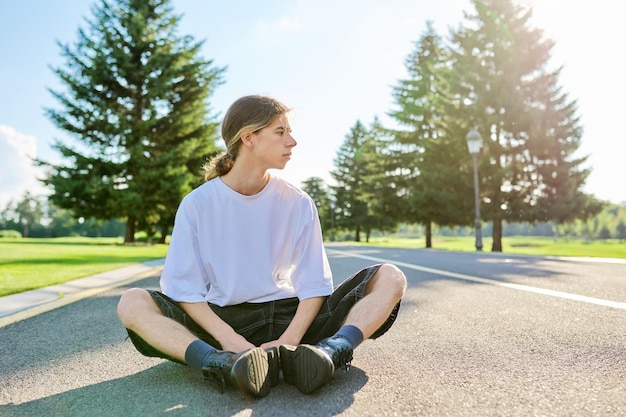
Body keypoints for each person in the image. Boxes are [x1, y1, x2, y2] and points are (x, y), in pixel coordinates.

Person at [117, 95, 407, 398]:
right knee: (132, 302)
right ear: (248, 138)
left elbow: (313, 284)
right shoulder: (197, 204)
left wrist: (290, 339)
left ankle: (330, 352)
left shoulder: (298, 201)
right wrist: (227, 339)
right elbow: (183, 288)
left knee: (391, 277)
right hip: (225, 320)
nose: (292, 141)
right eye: (280, 132)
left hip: (293, 317)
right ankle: (221, 362)